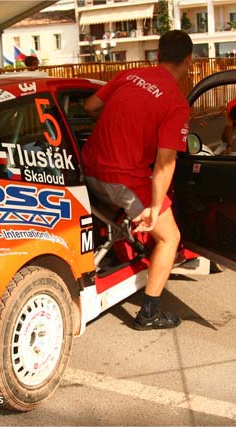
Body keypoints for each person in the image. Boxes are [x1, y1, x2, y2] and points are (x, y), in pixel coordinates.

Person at [82, 30, 193, 331]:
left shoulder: (130, 75)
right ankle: (149, 313)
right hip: (123, 180)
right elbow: (165, 162)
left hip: (87, 169)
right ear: (188, 60)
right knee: (169, 238)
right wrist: (155, 208)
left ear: (157, 55)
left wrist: (115, 124)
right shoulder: (176, 103)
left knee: (120, 207)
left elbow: (90, 107)